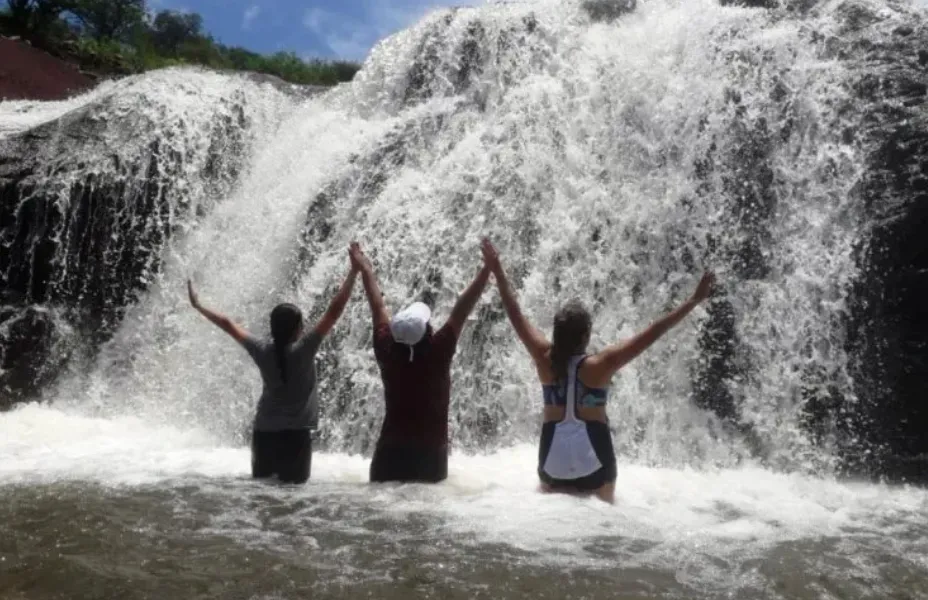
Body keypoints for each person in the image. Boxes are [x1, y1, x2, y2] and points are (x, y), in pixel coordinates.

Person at [480, 239, 715, 503]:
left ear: (557, 334)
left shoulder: (544, 358)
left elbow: (515, 314)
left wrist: (497, 270)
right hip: (596, 467)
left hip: (551, 466)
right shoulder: (600, 365)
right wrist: (694, 300)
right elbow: (653, 332)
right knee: (600, 520)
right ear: (585, 336)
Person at [187, 252, 359, 484]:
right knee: (293, 498)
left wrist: (198, 305)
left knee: (262, 494)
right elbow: (334, 311)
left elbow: (227, 324)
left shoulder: (261, 349)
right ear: (299, 329)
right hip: (296, 435)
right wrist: (354, 272)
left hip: (264, 432)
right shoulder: (304, 348)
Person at [350, 242, 490, 483]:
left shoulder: (386, 348)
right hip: (429, 461)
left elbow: (378, 306)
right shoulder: (438, 350)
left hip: (387, 459)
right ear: (426, 333)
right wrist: (487, 269)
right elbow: (462, 308)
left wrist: (366, 270)